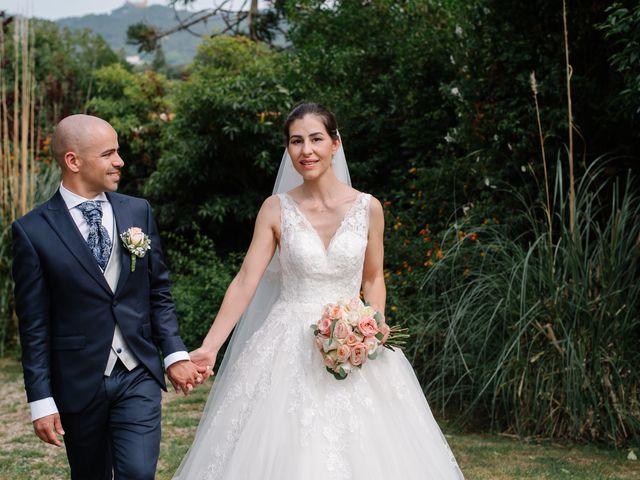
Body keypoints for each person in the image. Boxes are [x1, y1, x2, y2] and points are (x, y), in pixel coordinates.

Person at [175, 103, 465, 479]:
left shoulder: (368, 208)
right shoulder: (275, 209)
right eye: (296, 141)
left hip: (354, 342)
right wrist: (211, 346)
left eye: (315, 139)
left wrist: (373, 324)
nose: (305, 150)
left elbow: (373, 278)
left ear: (335, 144)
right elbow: (247, 279)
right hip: (286, 345)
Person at [12, 114, 208, 480]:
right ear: (73, 161)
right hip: (78, 380)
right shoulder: (32, 231)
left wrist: (175, 354)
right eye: (108, 153)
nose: (120, 161)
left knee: (138, 473)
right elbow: (34, 326)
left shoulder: (137, 211)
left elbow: (158, 291)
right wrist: (41, 400)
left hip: (137, 375)